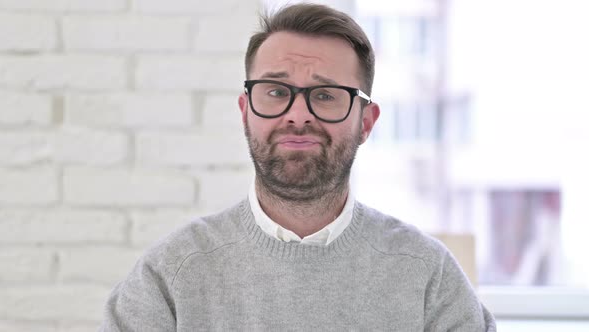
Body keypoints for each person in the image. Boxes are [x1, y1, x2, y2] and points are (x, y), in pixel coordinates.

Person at [100, 3, 496, 331]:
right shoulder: (170, 275)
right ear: (245, 112)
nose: (298, 115)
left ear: (367, 122)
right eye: (276, 92)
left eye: (325, 95)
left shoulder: (429, 276)